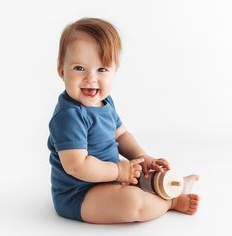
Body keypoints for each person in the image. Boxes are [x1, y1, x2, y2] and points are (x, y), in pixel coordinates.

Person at [47, 17, 200, 224]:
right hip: (80, 193)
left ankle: (173, 185)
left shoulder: (105, 102)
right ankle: (171, 202)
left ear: (114, 72)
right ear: (61, 71)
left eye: (102, 70)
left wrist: (142, 157)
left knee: (148, 175)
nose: (91, 78)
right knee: (132, 203)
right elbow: (77, 166)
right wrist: (119, 170)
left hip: (115, 177)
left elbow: (121, 134)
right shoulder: (69, 116)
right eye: (79, 68)